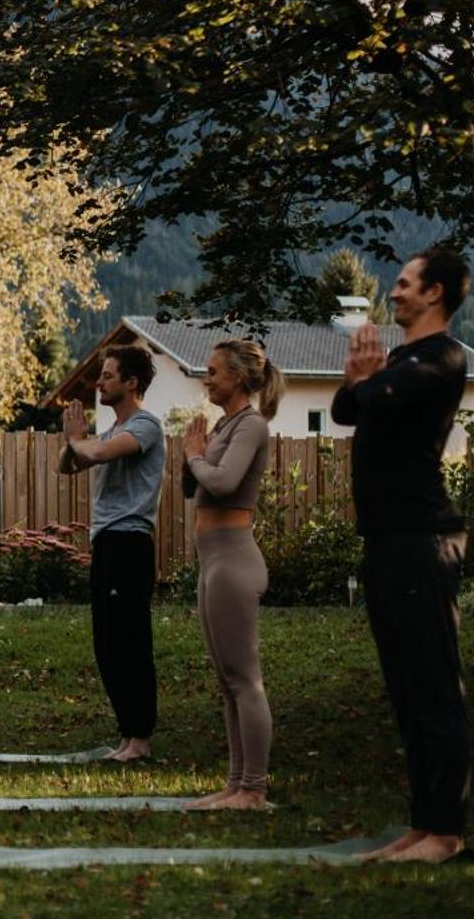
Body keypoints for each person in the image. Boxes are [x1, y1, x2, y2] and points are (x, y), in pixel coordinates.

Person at [335, 247, 474, 864]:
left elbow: (375, 400)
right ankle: (423, 826)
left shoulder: (442, 357)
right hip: (388, 538)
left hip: (423, 539)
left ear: (435, 293)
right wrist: (361, 380)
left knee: (435, 687)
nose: (393, 292)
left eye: (403, 283)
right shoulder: (398, 359)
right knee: (405, 687)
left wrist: (365, 382)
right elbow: (347, 407)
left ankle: (445, 832)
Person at [180, 339, 283, 810]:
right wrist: (194, 454)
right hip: (213, 559)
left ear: (238, 378)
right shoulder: (225, 425)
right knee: (227, 681)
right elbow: (193, 482)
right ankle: (236, 783)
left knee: (245, 678)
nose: (207, 379)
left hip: (235, 560)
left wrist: (197, 456)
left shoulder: (252, 426)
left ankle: (255, 790)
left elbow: (220, 482)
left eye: (213, 371)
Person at [59, 345, 165, 763]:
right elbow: (66, 467)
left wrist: (77, 442)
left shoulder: (145, 427)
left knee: (129, 642)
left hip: (130, 544)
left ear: (131, 382)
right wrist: (73, 442)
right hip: (106, 543)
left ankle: (140, 739)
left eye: (106, 376)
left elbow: (98, 454)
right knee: (106, 643)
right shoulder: (104, 434)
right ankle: (128, 736)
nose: (98, 383)